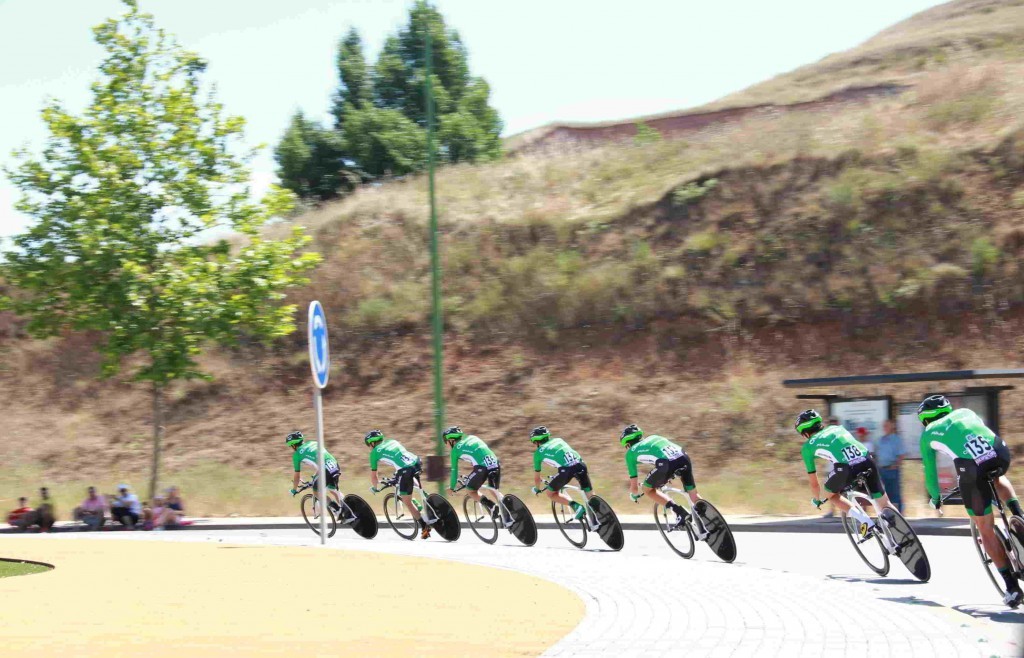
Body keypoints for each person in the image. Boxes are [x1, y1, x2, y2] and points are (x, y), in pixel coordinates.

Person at [919, 395, 1024, 607]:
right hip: (999, 451)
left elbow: (930, 473)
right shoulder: (966, 412)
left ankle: (1012, 587)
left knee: (984, 528)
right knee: (997, 475)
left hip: (972, 468)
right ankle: (1019, 514)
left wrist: (935, 498)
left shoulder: (928, 434)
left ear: (925, 419)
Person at [795, 410, 897, 536]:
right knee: (885, 503)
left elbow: (814, 483)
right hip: (867, 460)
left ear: (805, 433)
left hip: (846, 468)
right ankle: (901, 534)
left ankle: (865, 522)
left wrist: (817, 499)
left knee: (830, 495)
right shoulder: (836, 428)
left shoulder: (807, 447)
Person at [620, 424, 705, 528]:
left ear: (628, 444)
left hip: (666, 463)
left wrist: (633, 495)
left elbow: (634, 487)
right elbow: (663, 456)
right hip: (683, 456)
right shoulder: (654, 437)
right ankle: (709, 517)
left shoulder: (630, 453)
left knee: (647, 489)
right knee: (694, 495)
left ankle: (679, 512)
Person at [365, 429, 435, 539]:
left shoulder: (374, 453)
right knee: (402, 475)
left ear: (372, 443)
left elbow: (374, 476)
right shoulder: (392, 441)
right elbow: (399, 458)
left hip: (405, 470)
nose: (370, 447)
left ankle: (424, 526)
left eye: (369, 444)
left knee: (406, 500)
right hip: (416, 461)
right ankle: (425, 495)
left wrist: (375, 487)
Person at [444, 426, 511, 527]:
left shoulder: (455, 450)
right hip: (495, 462)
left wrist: (452, 487)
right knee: (493, 490)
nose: (446, 444)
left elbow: (454, 472)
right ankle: (509, 514)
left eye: (446, 441)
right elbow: (479, 454)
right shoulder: (473, 437)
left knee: (470, 490)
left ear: (451, 440)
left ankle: (491, 506)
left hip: (481, 468)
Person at [530, 426, 592, 522]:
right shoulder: (559, 440)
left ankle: (576, 506)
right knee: (589, 493)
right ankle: (600, 513)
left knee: (550, 493)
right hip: (581, 464)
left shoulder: (538, 453)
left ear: (536, 441)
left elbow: (537, 478)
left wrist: (537, 489)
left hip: (566, 471)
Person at [286, 430, 346, 518]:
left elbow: (297, 475)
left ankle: (337, 510)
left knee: (316, 491)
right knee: (333, 490)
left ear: (293, 445)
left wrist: (294, 490)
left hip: (325, 469)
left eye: (291, 446)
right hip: (334, 464)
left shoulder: (297, 454)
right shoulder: (313, 443)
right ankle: (347, 509)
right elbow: (320, 459)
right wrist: (315, 476)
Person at [876, 420, 906, 513]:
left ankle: (899, 514)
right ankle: (887, 514)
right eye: (884, 426)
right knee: (884, 494)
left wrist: (895, 465)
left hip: (892, 470)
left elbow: (901, 455)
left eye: (887, 426)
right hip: (882, 470)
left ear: (892, 426)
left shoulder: (896, 439)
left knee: (895, 494)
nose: (885, 428)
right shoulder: (881, 439)